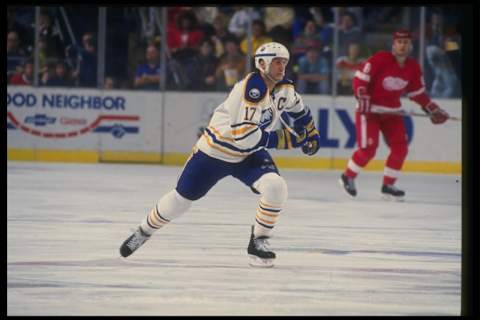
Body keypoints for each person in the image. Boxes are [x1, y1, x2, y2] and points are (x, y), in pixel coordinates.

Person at [119, 42, 321, 268]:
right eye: (276, 62)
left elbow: (299, 109)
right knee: (180, 201)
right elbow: (244, 137)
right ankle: (143, 231)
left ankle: (259, 242)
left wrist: (311, 132)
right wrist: (290, 140)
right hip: (214, 153)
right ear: (261, 63)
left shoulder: (284, 88)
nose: (282, 67)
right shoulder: (251, 89)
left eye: (284, 62)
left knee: (276, 187)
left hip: (248, 155)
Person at [338, 30, 450, 201]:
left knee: (401, 148)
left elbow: (417, 94)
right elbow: (360, 79)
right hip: (370, 111)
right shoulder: (381, 59)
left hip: (392, 112)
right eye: (399, 42)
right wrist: (362, 96)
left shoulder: (413, 67)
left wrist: (432, 108)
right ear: (394, 45)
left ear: (410, 46)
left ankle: (388, 185)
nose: (402, 45)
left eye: (406, 42)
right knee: (368, 149)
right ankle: (348, 176)